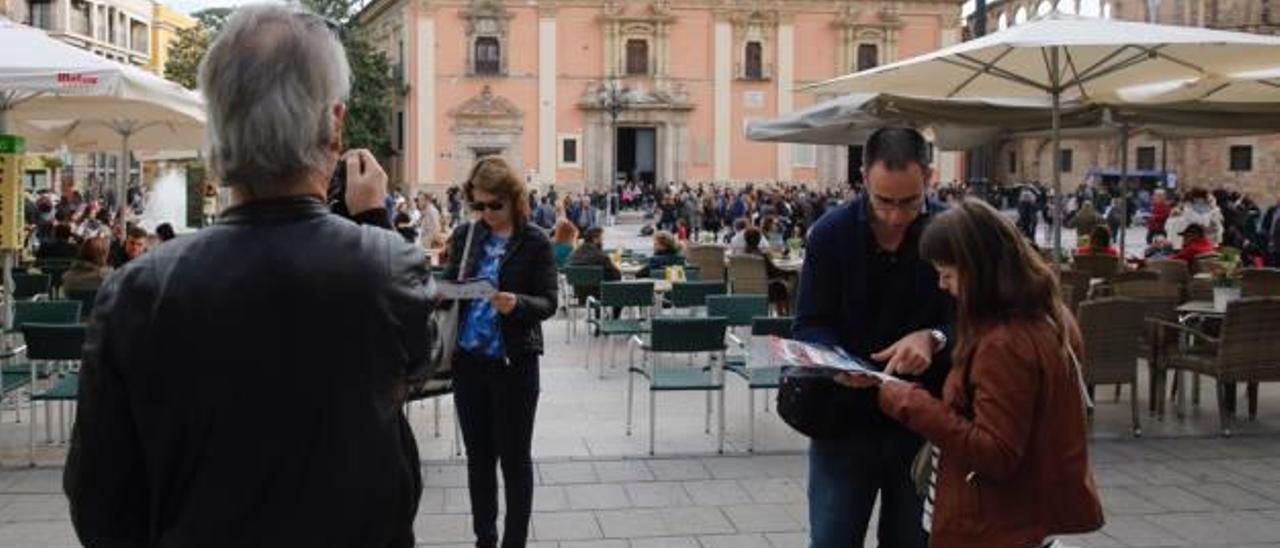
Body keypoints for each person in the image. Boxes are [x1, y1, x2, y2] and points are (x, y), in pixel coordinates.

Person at [64, 6, 434, 547]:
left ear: (218, 130)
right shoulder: (386, 267)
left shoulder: (137, 291)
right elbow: (416, 365)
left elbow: (98, 497)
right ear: (334, 126)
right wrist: (374, 220)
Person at [836, 198, 1104, 546]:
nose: (942, 286)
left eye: (947, 274)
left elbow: (995, 451)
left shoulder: (1005, 342)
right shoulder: (1048, 316)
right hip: (1020, 518)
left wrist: (906, 400)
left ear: (978, 270)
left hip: (991, 523)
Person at [794, 127, 953, 547]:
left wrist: (933, 337)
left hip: (923, 422)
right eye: (884, 201)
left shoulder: (951, 232)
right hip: (845, 422)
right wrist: (836, 362)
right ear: (864, 178)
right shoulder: (831, 234)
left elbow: (973, 321)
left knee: (910, 542)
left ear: (930, 177)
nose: (897, 215)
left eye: (910, 201)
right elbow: (809, 323)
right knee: (832, 540)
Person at [443, 156, 557, 548]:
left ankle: (514, 542)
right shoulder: (465, 236)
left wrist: (517, 304)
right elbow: (445, 287)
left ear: (514, 199)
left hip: (515, 364)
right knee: (479, 459)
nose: (486, 213)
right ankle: (485, 538)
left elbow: (548, 303)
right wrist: (447, 290)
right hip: (469, 363)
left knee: (514, 459)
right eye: (479, 205)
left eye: (495, 205)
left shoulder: (536, 240)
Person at [742, 228, 794, 315]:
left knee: (778, 285)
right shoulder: (762, 256)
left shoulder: (741, 256)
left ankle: (782, 314)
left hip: (744, 290)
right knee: (781, 286)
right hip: (765, 290)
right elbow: (774, 273)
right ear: (759, 240)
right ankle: (783, 315)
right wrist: (789, 273)